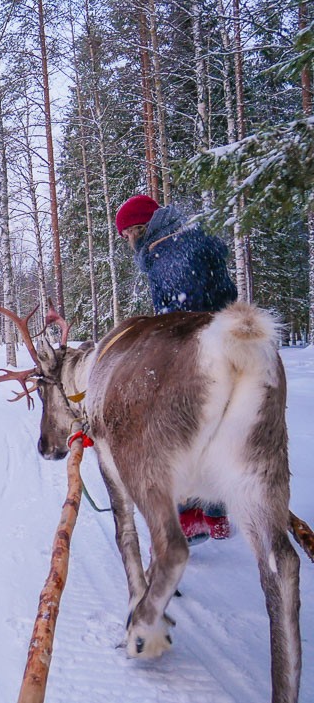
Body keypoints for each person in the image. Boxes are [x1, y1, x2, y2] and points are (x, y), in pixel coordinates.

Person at [115, 194, 237, 543]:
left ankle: (192, 514)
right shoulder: (179, 244)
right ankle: (208, 513)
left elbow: (185, 317)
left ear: (140, 229)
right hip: (220, 347)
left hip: (202, 355)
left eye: (128, 235)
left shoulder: (170, 253)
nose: (128, 243)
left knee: (171, 430)